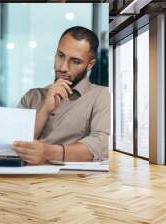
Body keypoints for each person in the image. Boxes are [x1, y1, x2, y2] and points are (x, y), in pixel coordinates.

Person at [12, 26, 110, 165]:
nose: (63, 67)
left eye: (75, 61)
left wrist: (48, 152)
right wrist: (45, 109)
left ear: (90, 64)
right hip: (24, 181)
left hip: (72, 182)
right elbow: (13, 145)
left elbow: (101, 144)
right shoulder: (32, 97)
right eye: (60, 55)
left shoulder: (101, 96)